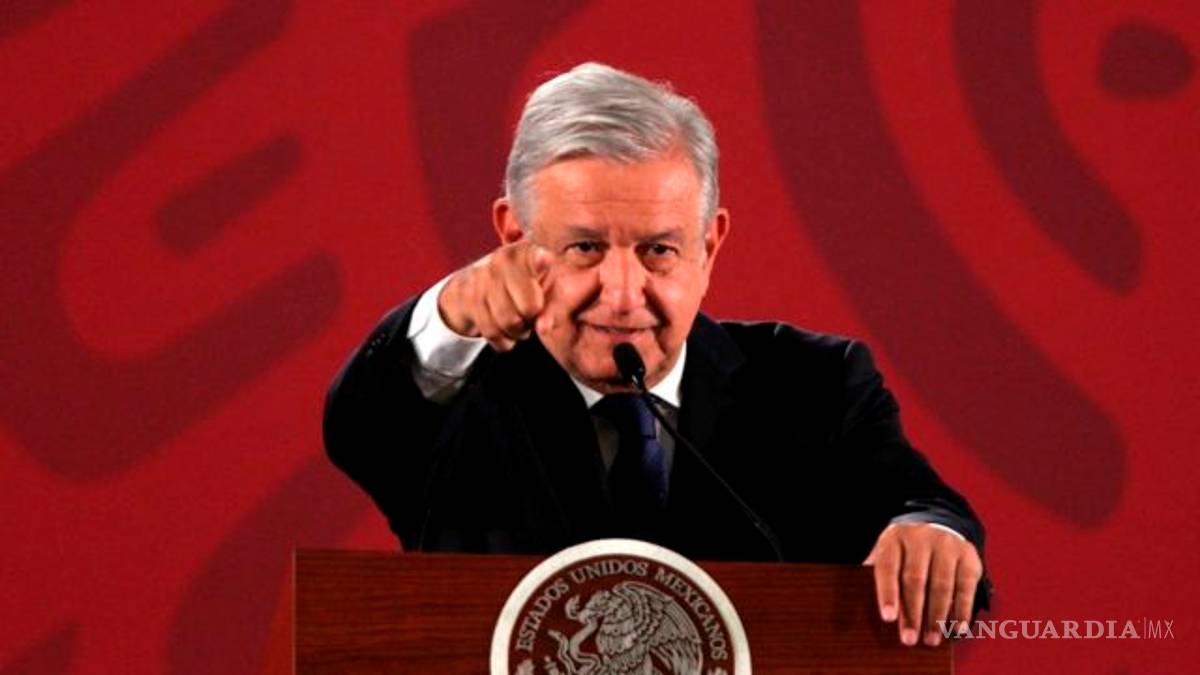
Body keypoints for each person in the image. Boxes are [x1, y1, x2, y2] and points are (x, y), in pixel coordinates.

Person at [324, 62, 990, 648]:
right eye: (585, 247)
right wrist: (449, 313)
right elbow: (360, 425)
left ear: (710, 247)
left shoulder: (816, 385)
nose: (622, 296)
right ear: (514, 237)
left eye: (658, 250)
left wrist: (930, 534)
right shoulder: (458, 397)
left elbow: (918, 506)